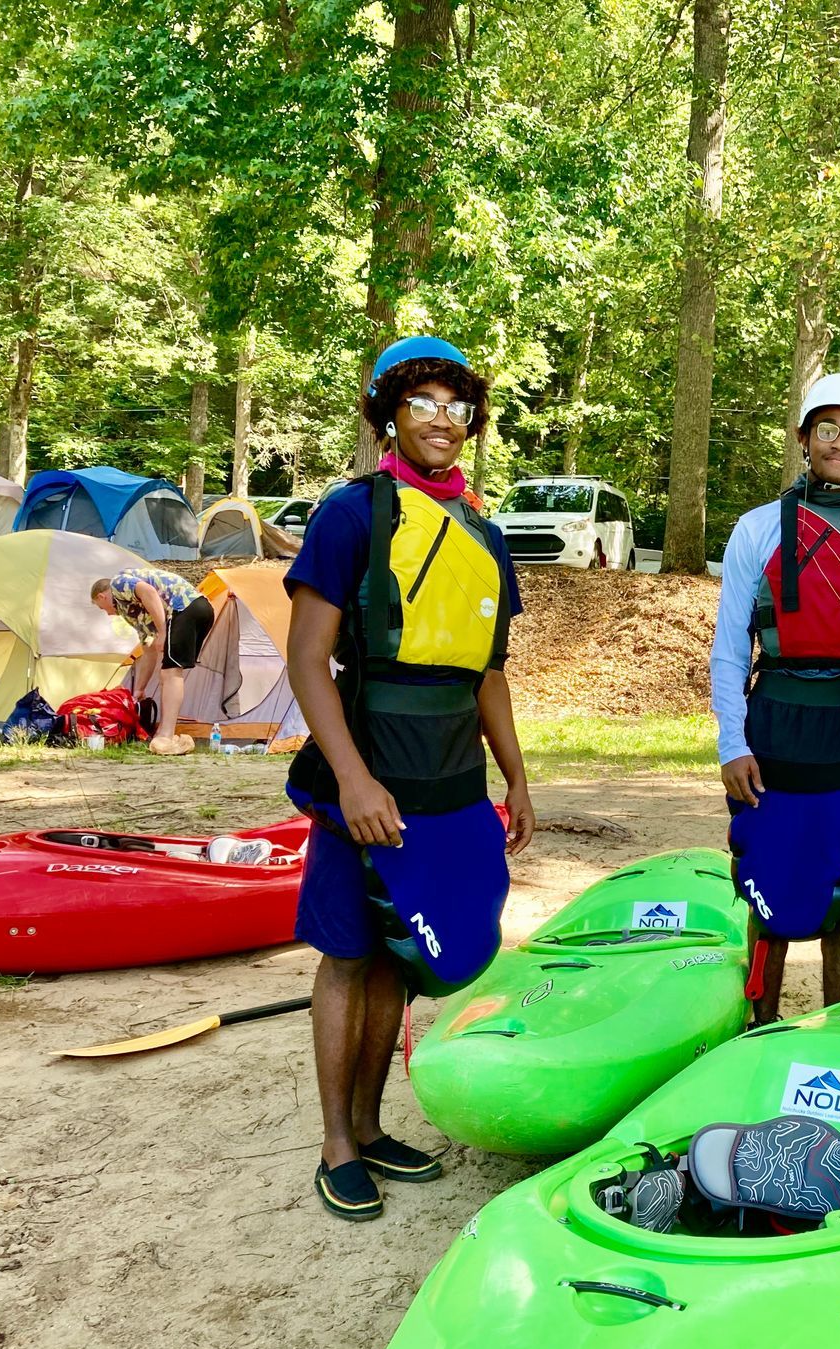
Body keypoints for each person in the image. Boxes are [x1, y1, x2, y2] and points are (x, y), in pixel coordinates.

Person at [283, 335, 536, 1223]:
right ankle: (336, 1142)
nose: (442, 419)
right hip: (370, 763)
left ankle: (372, 1123)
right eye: (422, 401)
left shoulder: (484, 534)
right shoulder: (352, 514)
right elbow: (308, 659)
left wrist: (516, 777)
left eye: (457, 406)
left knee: (403, 956)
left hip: (449, 776)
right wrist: (352, 781)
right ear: (390, 412)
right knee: (351, 953)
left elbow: (489, 675)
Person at [711, 373, 840, 1024]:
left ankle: (835, 1022)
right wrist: (733, 742)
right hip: (774, 719)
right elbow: (728, 646)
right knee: (766, 882)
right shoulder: (757, 530)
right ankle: (761, 1021)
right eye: (827, 428)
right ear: (804, 438)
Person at [90, 567, 215, 754]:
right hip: (200, 610)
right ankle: (165, 732)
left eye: (102, 608)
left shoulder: (118, 583)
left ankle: (166, 734)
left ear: (102, 597)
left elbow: (148, 591)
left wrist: (163, 631)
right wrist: (139, 689)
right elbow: (148, 651)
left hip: (185, 607)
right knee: (169, 671)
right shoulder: (134, 611)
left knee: (171, 671)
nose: (108, 614)